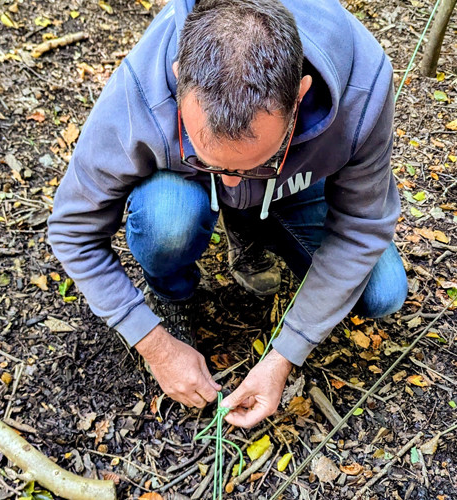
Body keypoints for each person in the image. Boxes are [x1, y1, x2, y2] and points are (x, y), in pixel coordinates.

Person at [48, 0, 408, 428]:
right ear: (181, 81)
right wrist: (153, 342)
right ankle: (172, 292)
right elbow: (72, 229)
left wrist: (284, 355)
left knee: (383, 291)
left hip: (292, 186)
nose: (233, 184)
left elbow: (362, 227)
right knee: (169, 222)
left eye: (257, 162)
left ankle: (253, 224)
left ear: (301, 96)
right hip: (184, 187)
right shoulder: (141, 89)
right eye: (211, 160)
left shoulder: (362, 85)